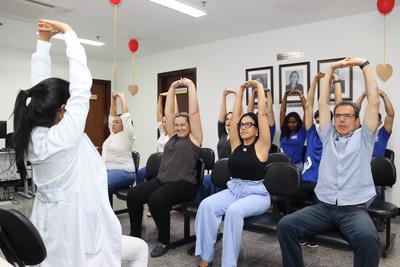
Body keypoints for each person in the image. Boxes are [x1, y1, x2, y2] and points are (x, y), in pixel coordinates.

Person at [12, 20, 148, 267]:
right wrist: (69, 34)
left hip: (49, 231)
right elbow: (81, 85)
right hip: (79, 235)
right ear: (63, 110)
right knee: (139, 250)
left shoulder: (34, 136)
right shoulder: (66, 136)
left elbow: (40, 89)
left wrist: (43, 44)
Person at [277, 57, 381, 267]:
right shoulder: (326, 134)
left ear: (357, 120)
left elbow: (374, 101)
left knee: (369, 239)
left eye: (347, 116)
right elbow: (323, 103)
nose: (341, 119)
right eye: (338, 116)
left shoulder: (365, 137)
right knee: (286, 225)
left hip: (353, 209)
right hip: (323, 207)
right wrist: (331, 68)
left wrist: (364, 65)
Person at [195, 80, 271, 267]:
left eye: (249, 125)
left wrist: (258, 88)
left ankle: (228, 263)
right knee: (206, 205)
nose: (244, 127)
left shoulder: (262, 146)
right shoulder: (236, 144)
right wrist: (240, 92)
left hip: (257, 195)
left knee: (233, 212)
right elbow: (235, 116)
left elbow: (261, 113)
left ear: (256, 129)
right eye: (242, 125)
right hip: (234, 190)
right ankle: (206, 257)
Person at [127, 78, 203, 258]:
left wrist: (190, 86)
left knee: (156, 199)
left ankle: (164, 240)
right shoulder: (172, 136)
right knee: (134, 195)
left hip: (185, 184)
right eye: (176, 125)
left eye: (182, 125)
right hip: (164, 181)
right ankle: (136, 235)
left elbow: (194, 112)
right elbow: (168, 112)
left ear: (190, 126)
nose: (179, 127)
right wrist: (172, 88)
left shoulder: (195, 138)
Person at [357, 88, 395, 230]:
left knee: (376, 189)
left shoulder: (383, 133)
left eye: (375, 119)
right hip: (361, 170)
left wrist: (384, 95)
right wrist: (363, 95)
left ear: (379, 122)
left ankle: (378, 221)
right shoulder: (361, 132)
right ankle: (361, 220)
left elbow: (391, 114)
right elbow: (354, 112)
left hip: (376, 173)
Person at [301, 72, 340, 203]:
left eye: (322, 121)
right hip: (306, 180)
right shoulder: (311, 132)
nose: (319, 124)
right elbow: (308, 106)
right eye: (316, 121)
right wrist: (315, 80)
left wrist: (336, 80)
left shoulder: (333, 135)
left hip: (324, 183)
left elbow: (338, 104)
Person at [196, 87, 235, 203]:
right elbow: (220, 120)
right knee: (200, 180)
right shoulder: (223, 135)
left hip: (232, 174)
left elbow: (238, 115)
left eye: (232, 119)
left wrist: (238, 96)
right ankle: (200, 207)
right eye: (227, 119)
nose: (228, 121)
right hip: (219, 171)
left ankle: (215, 210)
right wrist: (223, 96)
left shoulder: (238, 137)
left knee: (215, 183)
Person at [102, 92, 137, 190]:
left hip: (125, 172)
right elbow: (112, 115)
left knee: (99, 184)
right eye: (113, 122)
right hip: (108, 170)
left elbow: (126, 117)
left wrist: (122, 97)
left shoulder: (127, 135)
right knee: (90, 180)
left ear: (124, 126)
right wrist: (113, 99)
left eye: (117, 122)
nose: (113, 124)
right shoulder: (112, 134)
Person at [279, 89, 306, 170]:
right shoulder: (284, 130)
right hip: (282, 165)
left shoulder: (302, 131)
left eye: (293, 122)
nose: (291, 124)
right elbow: (282, 111)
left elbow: (307, 111)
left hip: (297, 166)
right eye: (289, 122)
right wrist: (285, 95)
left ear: (298, 122)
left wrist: (301, 95)